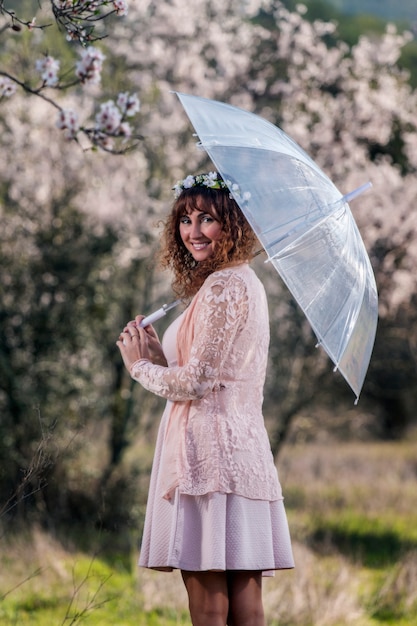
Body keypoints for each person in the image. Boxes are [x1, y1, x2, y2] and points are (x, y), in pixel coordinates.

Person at [116, 172, 294, 626]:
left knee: (210, 606)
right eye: (185, 219)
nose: (193, 231)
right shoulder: (245, 282)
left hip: (207, 456)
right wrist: (159, 356)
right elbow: (214, 373)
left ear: (231, 224)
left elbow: (197, 384)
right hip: (246, 452)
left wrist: (140, 367)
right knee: (247, 604)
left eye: (207, 219)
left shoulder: (220, 287)